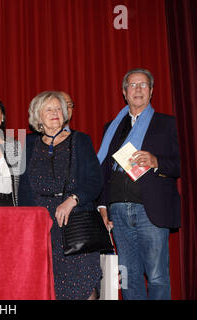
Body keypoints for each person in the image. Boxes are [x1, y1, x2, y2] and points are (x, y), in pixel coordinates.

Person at [97, 68, 181, 300]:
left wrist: (156, 161)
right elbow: (103, 170)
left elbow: (181, 164)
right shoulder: (112, 127)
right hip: (119, 211)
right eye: (132, 85)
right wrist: (102, 207)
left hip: (151, 209)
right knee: (129, 277)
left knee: (156, 277)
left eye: (143, 85)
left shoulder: (168, 123)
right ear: (124, 92)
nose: (138, 89)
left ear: (151, 91)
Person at [18, 91, 102, 300]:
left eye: (59, 109)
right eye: (49, 109)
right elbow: (23, 188)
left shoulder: (80, 140)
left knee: (84, 285)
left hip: (76, 222)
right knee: (49, 287)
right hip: (42, 226)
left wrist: (73, 199)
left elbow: (95, 180)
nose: (55, 112)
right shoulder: (27, 144)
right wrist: (31, 220)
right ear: (38, 115)